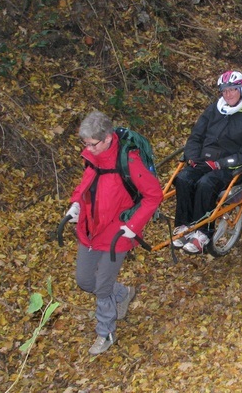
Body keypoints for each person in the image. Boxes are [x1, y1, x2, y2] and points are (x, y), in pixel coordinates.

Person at [65, 110, 163, 355]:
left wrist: (133, 227)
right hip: (89, 227)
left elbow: (154, 195)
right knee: (85, 281)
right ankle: (124, 293)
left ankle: (106, 333)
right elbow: (87, 182)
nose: (88, 147)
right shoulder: (93, 156)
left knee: (101, 286)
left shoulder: (128, 161)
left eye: (92, 143)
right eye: (85, 143)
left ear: (108, 138)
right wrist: (76, 203)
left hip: (116, 234)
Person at [172, 71, 242, 253]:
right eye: (224, 91)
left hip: (232, 166)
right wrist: (192, 156)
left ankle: (203, 233)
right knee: (183, 178)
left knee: (206, 184)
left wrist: (219, 164)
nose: (228, 94)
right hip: (205, 159)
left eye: (232, 90)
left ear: (241, 90)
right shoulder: (214, 109)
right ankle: (184, 226)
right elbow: (196, 136)